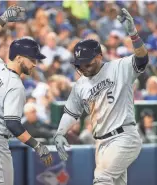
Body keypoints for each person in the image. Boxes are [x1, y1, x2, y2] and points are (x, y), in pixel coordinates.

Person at [53, 8, 149, 185]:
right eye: (79, 65)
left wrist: (133, 34)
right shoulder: (80, 84)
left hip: (124, 136)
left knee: (102, 178)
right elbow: (71, 112)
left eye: (87, 63)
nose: (83, 68)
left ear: (99, 56)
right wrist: (60, 132)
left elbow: (142, 59)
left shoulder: (119, 67)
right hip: (101, 143)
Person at [0, 6, 52, 185]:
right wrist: (37, 146)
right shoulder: (15, 85)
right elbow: (13, 124)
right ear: (20, 57)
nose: (35, 64)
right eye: (33, 59)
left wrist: (2, 19)